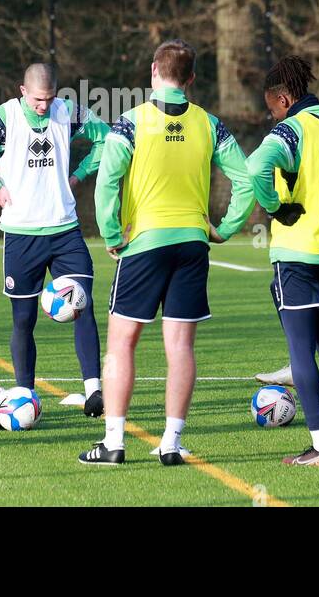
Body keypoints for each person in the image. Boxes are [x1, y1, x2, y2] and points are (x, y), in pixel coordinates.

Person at [80, 39, 253, 466]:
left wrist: (110, 233)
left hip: (144, 244)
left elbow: (107, 181)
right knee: (180, 346)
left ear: (154, 71)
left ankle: (114, 443)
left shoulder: (130, 122)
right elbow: (246, 180)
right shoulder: (211, 124)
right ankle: (171, 443)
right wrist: (225, 227)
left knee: (122, 341)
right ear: (191, 78)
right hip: (193, 244)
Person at [0, 63, 108, 415]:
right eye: (37, 99)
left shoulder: (68, 112)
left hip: (66, 229)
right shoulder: (2, 118)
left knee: (84, 306)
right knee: (23, 319)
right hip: (21, 234)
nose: (43, 106)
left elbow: (107, 139)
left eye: (49, 99)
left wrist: (80, 174)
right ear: (22, 91)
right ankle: (24, 396)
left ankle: (95, 391)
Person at [246, 56, 319, 466]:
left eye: (271, 106)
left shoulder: (291, 129)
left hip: (298, 252)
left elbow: (255, 166)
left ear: (283, 97)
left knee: (300, 349)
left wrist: (276, 206)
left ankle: (318, 447)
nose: (271, 114)